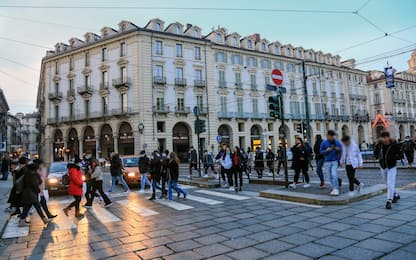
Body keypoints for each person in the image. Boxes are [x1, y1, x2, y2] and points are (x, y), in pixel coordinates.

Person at [375, 132, 402, 209]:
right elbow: (376, 154)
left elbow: (400, 155)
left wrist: (393, 157)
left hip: (392, 167)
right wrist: (376, 152)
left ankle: (389, 200)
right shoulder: (379, 145)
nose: (384, 139)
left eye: (386, 137)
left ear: (388, 137)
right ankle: (396, 195)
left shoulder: (394, 145)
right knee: (387, 183)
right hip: (383, 167)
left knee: (390, 183)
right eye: (383, 138)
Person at [320, 130, 343, 196]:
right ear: (327, 136)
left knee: (334, 174)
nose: (330, 137)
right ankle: (333, 188)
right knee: (329, 176)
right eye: (329, 136)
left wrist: (337, 149)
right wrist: (326, 150)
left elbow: (341, 149)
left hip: (334, 161)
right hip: (327, 162)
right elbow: (321, 151)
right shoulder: (324, 143)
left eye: (332, 136)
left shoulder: (336, 142)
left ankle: (336, 189)